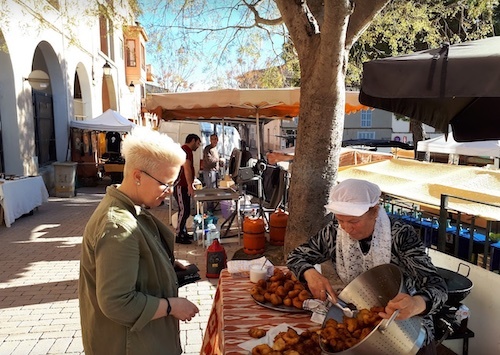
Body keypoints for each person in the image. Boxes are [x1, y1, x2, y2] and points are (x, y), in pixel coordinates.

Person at [286, 179, 448, 355]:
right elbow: (297, 256)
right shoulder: (334, 233)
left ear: (375, 211)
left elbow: (437, 286)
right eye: (340, 220)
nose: (347, 228)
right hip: (364, 333)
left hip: (409, 333)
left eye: (354, 221)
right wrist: (309, 273)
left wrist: (417, 303)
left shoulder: (400, 235)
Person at [78, 126, 199, 355]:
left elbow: (136, 258)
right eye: (166, 183)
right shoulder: (117, 226)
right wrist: (172, 306)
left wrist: (166, 264)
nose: (170, 191)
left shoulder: (129, 209)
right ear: (138, 176)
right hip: (129, 345)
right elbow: (116, 302)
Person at [174, 133, 201, 244]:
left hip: (184, 185)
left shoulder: (187, 151)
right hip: (181, 185)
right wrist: (190, 185)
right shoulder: (185, 150)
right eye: (198, 143)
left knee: (186, 210)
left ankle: (183, 231)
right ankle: (179, 234)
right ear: (193, 140)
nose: (198, 146)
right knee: (184, 210)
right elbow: (187, 168)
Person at [202, 133, 223, 213]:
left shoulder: (215, 149)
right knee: (210, 190)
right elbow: (209, 161)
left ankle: (212, 207)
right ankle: (209, 209)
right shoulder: (208, 149)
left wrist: (220, 163)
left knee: (214, 190)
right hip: (209, 172)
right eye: (213, 139)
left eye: (216, 139)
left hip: (215, 171)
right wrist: (219, 159)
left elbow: (216, 161)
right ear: (210, 140)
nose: (214, 141)